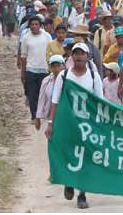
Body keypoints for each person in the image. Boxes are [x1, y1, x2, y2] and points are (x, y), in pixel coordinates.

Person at [46, 42, 103, 209]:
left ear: (87, 57)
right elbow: (55, 101)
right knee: (69, 154)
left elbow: (100, 101)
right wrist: (51, 123)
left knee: (85, 157)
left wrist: (99, 125)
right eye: (76, 53)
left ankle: (82, 194)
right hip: (67, 123)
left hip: (87, 124)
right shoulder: (64, 76)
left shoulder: (94, 76)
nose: (78, 56)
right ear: (72, 56)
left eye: (82, 53)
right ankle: (69, 182)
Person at [20, 15, 52, 122]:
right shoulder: (26, 38)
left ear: (40, 26)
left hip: (44, 69)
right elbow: (23, 56)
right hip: (31, 69)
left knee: (43, 94)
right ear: (29, 26)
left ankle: (42, 114)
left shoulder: (47, 36)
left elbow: (50, 53)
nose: (34, 26)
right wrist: (23, 72)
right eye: (32, 25)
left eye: (36, 24)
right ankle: (34, 116)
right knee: (32, 94)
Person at [35, 55, 66, 131]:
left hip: (65, 115)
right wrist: (38, 117)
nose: (56, 69)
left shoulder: (68, 80)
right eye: (54, 66)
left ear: (64, 66)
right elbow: (41, 99)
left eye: (59, 66)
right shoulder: (46, 81)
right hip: (51, 115)